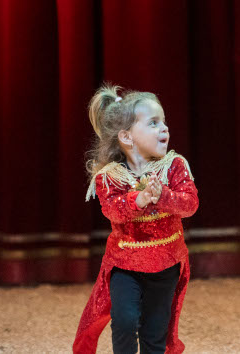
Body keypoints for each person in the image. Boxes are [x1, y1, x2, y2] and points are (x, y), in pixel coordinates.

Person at [73, 85, 199, 354]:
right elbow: (112, 211)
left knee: (155, 332)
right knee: (125, 322)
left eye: (163, 121)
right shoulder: (111, 176)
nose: (164, 128)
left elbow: (190, 205)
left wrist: (163, 195)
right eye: (154, 123)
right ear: (127, 137)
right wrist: (139, 200)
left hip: (166, 264)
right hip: (125, 266)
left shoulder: (174, 167)